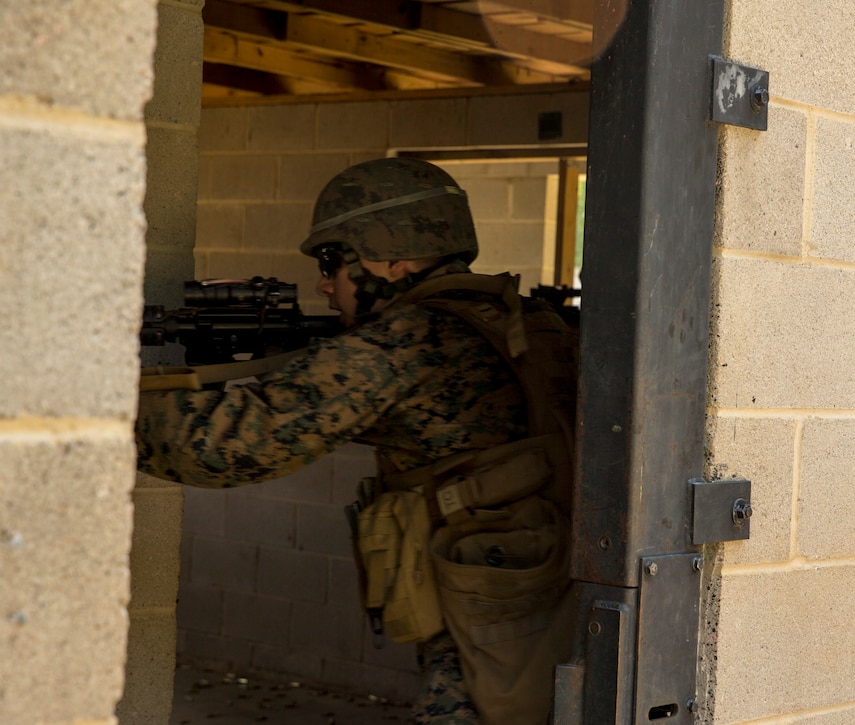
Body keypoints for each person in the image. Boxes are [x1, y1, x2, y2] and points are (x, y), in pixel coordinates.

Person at [136, 158, 577, 724]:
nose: (324, 282)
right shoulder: (526, 319)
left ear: (393, 258)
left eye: (333, 260)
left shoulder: (407, 341)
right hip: (539, 593)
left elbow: (228, 446)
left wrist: (98, 408)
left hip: (488, 621)